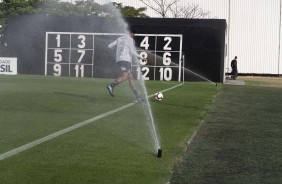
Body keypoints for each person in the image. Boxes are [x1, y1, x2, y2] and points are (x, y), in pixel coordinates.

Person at [106, 30, 147, 102]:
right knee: (125, 76)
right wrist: (141, 57)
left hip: (119, 60)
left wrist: (116, 49)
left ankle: (138, 97)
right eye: (133, 34)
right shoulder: (130, 40)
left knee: (130, 78)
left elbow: (109, 46)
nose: (133, 35)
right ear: (131, 33)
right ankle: (111, 86)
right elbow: (132, 51)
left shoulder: (120, 38)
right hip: (126, 60)